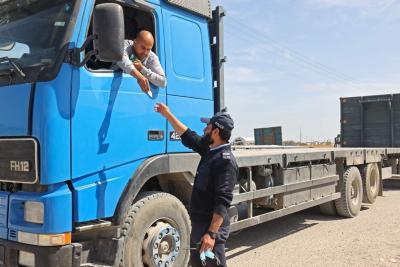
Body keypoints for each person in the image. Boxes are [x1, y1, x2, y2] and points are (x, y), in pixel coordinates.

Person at [154, 103, 238, 267]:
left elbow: (223, 201)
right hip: (200, 225)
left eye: (207, 126)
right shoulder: (210, 150)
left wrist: (212, 234)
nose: (204, 129)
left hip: (210, 227)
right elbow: (188, 136)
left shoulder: (225, 161)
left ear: (216, 131)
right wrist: (168, 114)